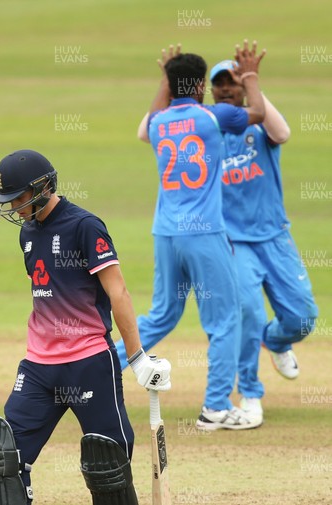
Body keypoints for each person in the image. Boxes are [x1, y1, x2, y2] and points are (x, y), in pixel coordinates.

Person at [0, 149, 171, 505]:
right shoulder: (27, 234)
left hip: (90, 361)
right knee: (4, 460)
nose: (14, 208)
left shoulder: (84, 226)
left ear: (42, 188)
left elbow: (118, 291)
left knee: (107, 463)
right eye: (8, 201)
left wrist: (137, 359)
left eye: (19, 198)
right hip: (38, 368)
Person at [115, 41, 266, 431]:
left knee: (163, 315)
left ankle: (97, 372)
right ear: (200, 85)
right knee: (225, 319)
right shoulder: (213, 117)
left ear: (169, 84)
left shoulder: (158, 122)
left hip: (165, 233)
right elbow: (260, 113)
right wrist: (249, 76)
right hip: (205, 234)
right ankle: (215, 407)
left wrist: (166, 77)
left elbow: (148, 122)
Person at [209, 59, 318, 416]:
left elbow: (283, 133)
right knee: (248, 312)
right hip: (234, 242)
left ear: (245, 89)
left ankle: (275, 341)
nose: (227, 88)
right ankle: (250, 394)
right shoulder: (207, 130)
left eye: (234, 82)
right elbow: (148, 132)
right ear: (211, 89)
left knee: (302, 316)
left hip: (274, 236)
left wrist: (252, 81)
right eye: (220, 83)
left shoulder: (260, 128)